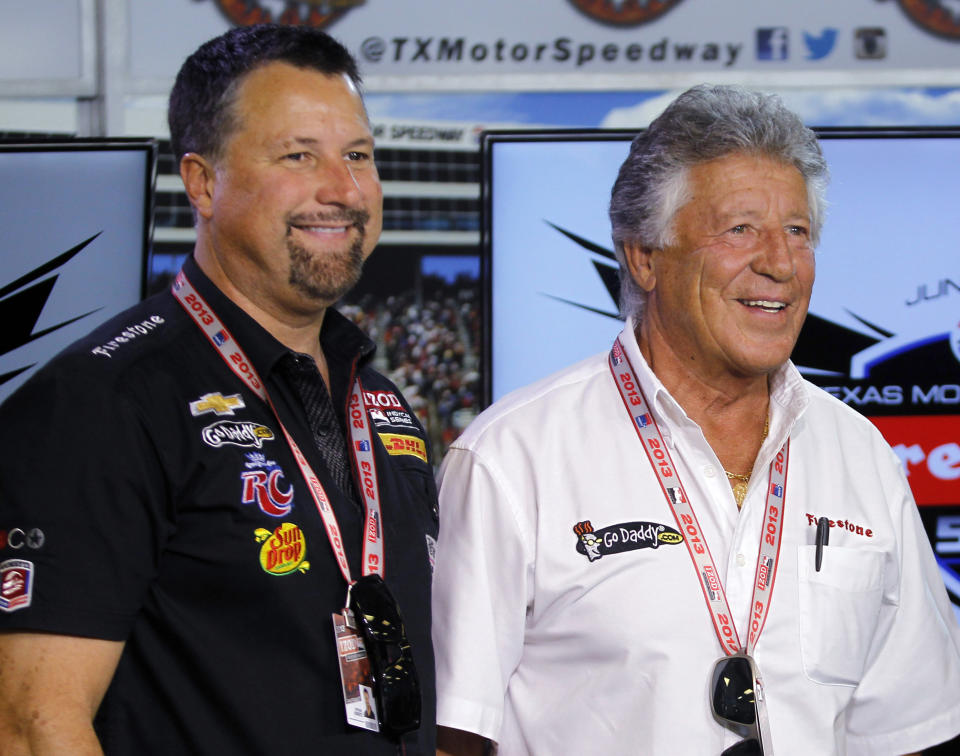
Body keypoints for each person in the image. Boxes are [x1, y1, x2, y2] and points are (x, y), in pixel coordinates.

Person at [431, 85, 960, 755]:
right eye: (740, 229)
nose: (779, 263)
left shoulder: (862, 456)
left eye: (798, 232)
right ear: (644, 255)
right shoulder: (511, 461)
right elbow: (454, 736)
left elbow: (911, 731)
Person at [0, 24, 438, 754]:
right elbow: (31, 721)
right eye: (300, 156)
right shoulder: (104, 401)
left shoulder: (380, 402)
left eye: (358, 156)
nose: (344, 190)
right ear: (202, 182)